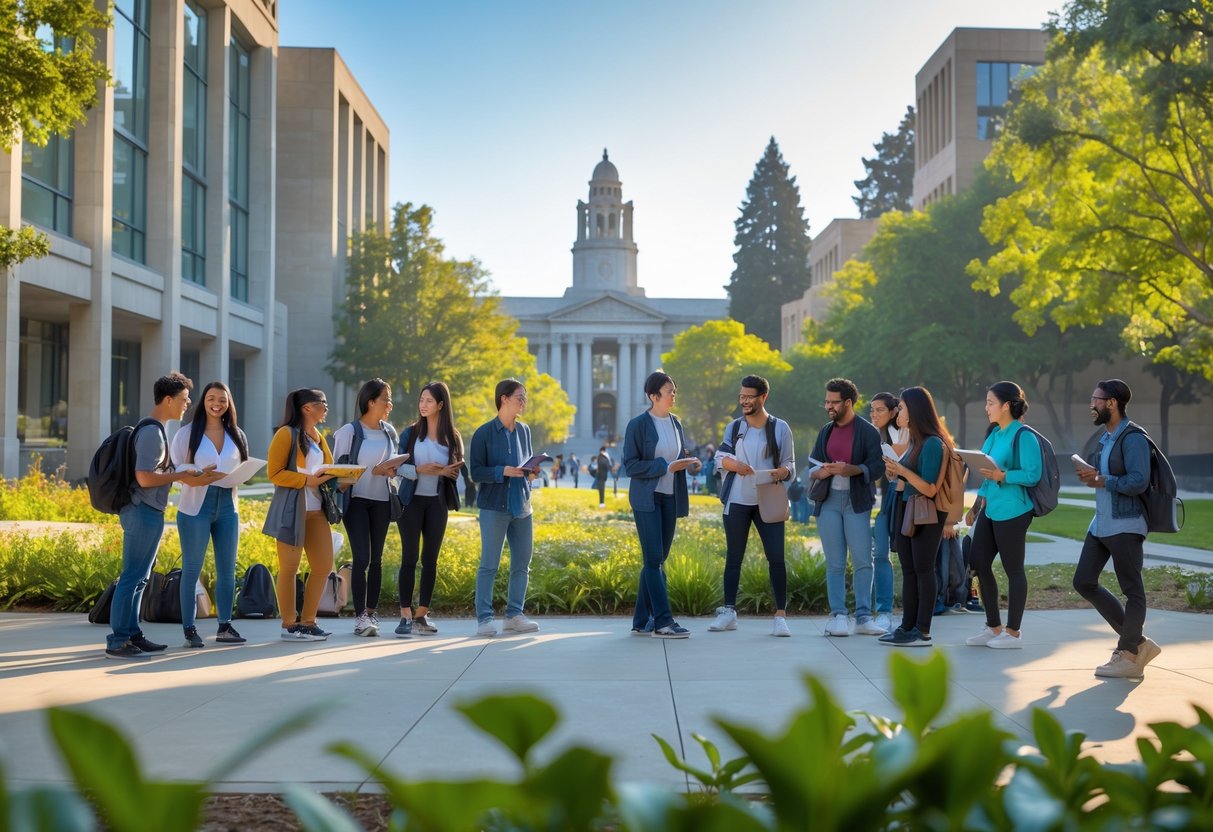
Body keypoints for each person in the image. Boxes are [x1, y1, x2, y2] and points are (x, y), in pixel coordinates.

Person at [106, 373, 222, 660]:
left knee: (140, 578)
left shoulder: (156, 430)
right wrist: (183, 473)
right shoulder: (152, 433)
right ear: (168, 400)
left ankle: (132, 634)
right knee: (132, 577)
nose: (188, 404)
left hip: (148, 511)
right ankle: (119, 640)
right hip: (141, 511)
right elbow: (144, 478)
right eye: (184, 399)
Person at [1071, 379, 1162, 678]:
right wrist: (1094, 475)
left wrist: (1102, 480)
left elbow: (1138, 481)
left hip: (1126, 523)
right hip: (1102, 523)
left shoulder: (1133, 438)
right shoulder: (1106, 438)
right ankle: (1135, 643)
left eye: (1096, 399)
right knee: (1084, 581)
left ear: (1112, 403)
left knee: (1132, 589)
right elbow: (1107, 476)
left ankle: (1129, 654)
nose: (1091, 405)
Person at [709, 375, 796, 637]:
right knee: (733, 557)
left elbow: (791, 465)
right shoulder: (734, 427)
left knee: (776, 558)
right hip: (737, 499)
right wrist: (733, 465)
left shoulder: (780, 428)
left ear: (763, 397)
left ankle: (780, 615)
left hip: (768, 499)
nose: (744, 401)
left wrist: (780, 472)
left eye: (749, 397)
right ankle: (729, 612)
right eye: (742, 397)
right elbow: (720, 458)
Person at [170, 380, 250, 648]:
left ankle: (225, 626)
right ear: (203, 401)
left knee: (227, 569)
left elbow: (243, 471)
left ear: (229, 404)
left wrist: (233, 476)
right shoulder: (187, 433)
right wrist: (197, 474)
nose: (217, 404)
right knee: (192, 569)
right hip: (195, 507)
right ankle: (190, 629)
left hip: (228, 505)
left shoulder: (237, 434)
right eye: (212, 398)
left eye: (223, 400)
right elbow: (176, 469)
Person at [964, 381, 1042, 650]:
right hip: (992, 508)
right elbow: (987, 471)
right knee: (978, 561)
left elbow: (1033, 475)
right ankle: (993, 626)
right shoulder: (995, 434)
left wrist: (1003, 476)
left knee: (1013, 569)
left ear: (1006, 405)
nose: (986, 407)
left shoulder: (1024, 436)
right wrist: (975, 507)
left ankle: (1013, 633)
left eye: (990, 402)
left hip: (1015, 510)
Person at [624, 372, 701, 638]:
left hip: (670, 496)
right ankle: (663, 622)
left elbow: (678, 456)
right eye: (669, 391)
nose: (673, 395)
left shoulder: (676, 423)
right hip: (647, 498)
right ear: (653, 396)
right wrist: (663, 467)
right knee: (654, 559)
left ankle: (640, 620)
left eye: (674, 391)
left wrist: (690, 464)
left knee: (657, 559)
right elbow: (630, 465)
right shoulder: (638, 425)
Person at [808, 378, 885, 637]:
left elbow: (877, 467)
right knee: (835, 563)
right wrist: (820, 472)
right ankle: (838, 615)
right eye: (826, 401)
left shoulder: (867, 432)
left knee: (863, 560)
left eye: (833, 402)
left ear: (848, 402)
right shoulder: (825, 431)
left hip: (857, 502)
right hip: (828, 502)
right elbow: (813, 466)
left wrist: (853, 470)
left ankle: (863, 617)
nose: (828, 406)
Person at [880, 386, 952, 647]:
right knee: (909, 570)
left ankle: (923, 631)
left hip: (926, 513)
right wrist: (894, 472)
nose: (898, 411)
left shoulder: (933, 443)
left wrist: (902, 470)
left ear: (915, 410)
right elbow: (908, 480)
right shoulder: (915, 441)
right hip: (909, 508)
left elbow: (930, 488)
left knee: (923, 570)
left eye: (902, 407)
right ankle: (906, 627)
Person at [331, 379, 402, 638]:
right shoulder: (348, 432)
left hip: (382, 500)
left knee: (377, 561)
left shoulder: (389, 432)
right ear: (371, 402)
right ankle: (360, 617)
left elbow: (396, 470)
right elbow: (335, 473)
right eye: (386, 398)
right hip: (357, 501)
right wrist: (357, 474)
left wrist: (392, 470)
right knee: (361, 559)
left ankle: (371, 614)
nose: (389, 404)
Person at [470, 379, 541, 637]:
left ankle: (514, 615)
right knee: (489, 564)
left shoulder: (524, 431)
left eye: (525, 397)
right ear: (503, 399)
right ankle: (484, 618)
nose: (523, 401)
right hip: (494, 507)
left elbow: (527, 465)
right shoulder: (484, 433)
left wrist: (531, 472)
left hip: (522, 506)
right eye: (519, 397)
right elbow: (476, 472)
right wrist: (503, 472)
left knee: (522, 563)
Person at [266, 388, 337, 641]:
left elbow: (327, 470)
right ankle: (289, 624)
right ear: (307, 407)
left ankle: (308, 622)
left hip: (317, 511)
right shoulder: (286, 434)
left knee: (323, 566)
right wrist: (307, 480)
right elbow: (274, 473)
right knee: (289, 568)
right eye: (323, 403)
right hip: (291, 511)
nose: (326, 408)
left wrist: (344, 475)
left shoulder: (318, 436)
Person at [395, 381, 463, 637]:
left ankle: (421, 614)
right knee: (409, 558)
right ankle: (405, 616)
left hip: (437, 503)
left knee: (430, 560)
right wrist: (419, 470)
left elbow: (456, 471)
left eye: (429, 401)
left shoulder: (452, 437)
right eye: (421, 400)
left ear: (441, 405)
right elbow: (395, 467)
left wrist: (449, 472)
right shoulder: (410, 434)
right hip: (410, 502)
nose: (423, 405)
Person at [868, 392, 905, 632]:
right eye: (871, 410)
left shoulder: (905, 434)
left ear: (893, 412)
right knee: (880, 553)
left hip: (906, 498)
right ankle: (883, 612)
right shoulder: (875, 436)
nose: (874, 414)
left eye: (879, 410)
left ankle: (918, 612)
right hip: (887, 502)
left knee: (910, 558)